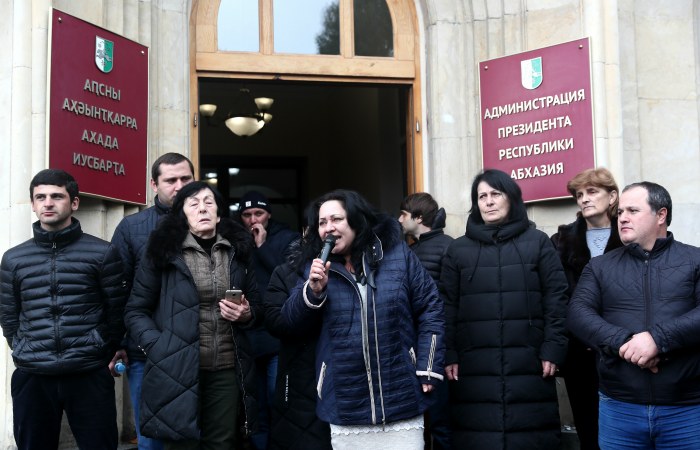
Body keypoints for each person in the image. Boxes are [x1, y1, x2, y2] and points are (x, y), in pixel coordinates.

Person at [281, 189, 444, 449]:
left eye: (336, 219)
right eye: (322, 223)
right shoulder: (315, 269)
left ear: (356, 221)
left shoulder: (397, 256)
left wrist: (428, 365)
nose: (328, 228)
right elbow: (290, 322)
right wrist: (313, 291)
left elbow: (430, 307)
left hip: (400, 397)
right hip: (346, 402)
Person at [124, 181, 261, 449]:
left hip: (226, 367)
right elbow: (135, 310)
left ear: (219, 214)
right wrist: (158, 346)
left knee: (222, 443)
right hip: (176, 368)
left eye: (209, 202)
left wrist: (247, 313)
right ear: (182, 215)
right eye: (194, 203)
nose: (202, 208)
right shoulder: (163, 254)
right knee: (181, 444)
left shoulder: (238, 253)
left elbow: (258, 304)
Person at [440, 169, 568, 449]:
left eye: (495, 194)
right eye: (482, 196)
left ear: (511, 198)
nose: (488, 201)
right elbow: (447, 305)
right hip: (473, 368)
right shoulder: (458, 250)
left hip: (530, 363)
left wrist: (553, 347)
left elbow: (557, 298)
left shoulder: (538, 243)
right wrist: (447, 352)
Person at [567, 181, 700, 449]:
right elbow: (578, 313)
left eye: (633, 210)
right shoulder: (600, 266)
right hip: (619, 408)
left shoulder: (694, 260)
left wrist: (657, 340)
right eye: (621, 212)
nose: (623, 217)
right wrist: (625, 343)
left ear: (661, 215)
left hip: (686, 409)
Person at [0, 169, 126, 449]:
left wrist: (104, 346)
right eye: (40, 197)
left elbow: (116, 309)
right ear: (32, 204)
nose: (48, 203)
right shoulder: (13, 259)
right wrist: (23, 346)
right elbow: (9, 315)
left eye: (57, 196)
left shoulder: (102, 253)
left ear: (74, 203)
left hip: (89, 372)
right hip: (33, 375)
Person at [111, 152, 194, 450]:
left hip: (202, 352)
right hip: (147, 352)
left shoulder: (214, 225)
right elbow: (116, 288)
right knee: (150, 441)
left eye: (186, 179)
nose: (179, 186)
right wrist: (118, 341)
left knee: (199, 439)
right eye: (170, 180)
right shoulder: (131, 228)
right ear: (153, 185)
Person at [551, 167, 622, 450]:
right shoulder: (560, 241)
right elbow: (557, 297)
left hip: (622, 349)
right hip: (579, 350)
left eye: (592, 192)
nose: (584, 199)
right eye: (579, 195)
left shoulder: (630, 234)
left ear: (612, 196)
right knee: (587, 427)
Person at [238, 190, 300, 450]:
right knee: (255, 404)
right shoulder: (236, 240)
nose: (253, 219)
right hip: (248, 334)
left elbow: (291, 276)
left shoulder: (288, 238)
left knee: (280, 400)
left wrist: (262, 247)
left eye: (259, 213)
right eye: (247, 214)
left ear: (269, 214)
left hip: (276, 336)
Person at [264, 232, 332, 450]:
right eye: (322, 222)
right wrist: (309, 293)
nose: (330, 229)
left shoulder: (357, 273)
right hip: (298, 377)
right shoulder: (286, 272)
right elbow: (275, 322)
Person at [399, 192, 453, 450]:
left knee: (441, 423)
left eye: (404, 214)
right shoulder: (407, 251)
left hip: (437, 348)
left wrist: (451, 353)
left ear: (418, 217)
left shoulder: (448, 247)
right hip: (415, 347)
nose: (399, 219)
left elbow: (452, 304)